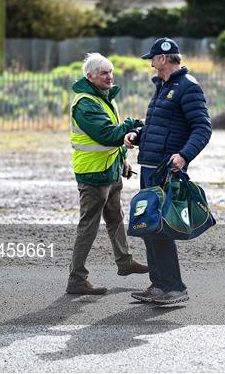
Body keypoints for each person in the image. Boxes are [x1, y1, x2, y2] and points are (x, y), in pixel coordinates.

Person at [125, 38, 212, 305]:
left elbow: (202, 128)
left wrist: (184, 156)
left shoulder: (188, 87)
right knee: (148, 226)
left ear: (163, 59)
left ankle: (174, 288)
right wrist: (138, 134)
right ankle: (159, 286)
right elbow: (160, 125)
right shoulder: (163, 87)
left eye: (152, 58)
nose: (150, 63)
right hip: (150, 167)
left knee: (160, 226)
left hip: (166, 170)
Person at [67, 52, 149, 295]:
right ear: (90, 76)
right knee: (88, 226)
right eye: (103, 73)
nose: (109, 77)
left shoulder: (103, 99)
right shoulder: (85, 103)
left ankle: (124, 263)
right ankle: (76, 279)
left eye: (110, 72)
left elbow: (115, 139)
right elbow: (107, 134)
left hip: (109, 169)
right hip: (93, 173)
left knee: (115, 218)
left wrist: (122, 160)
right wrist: (135, 123)